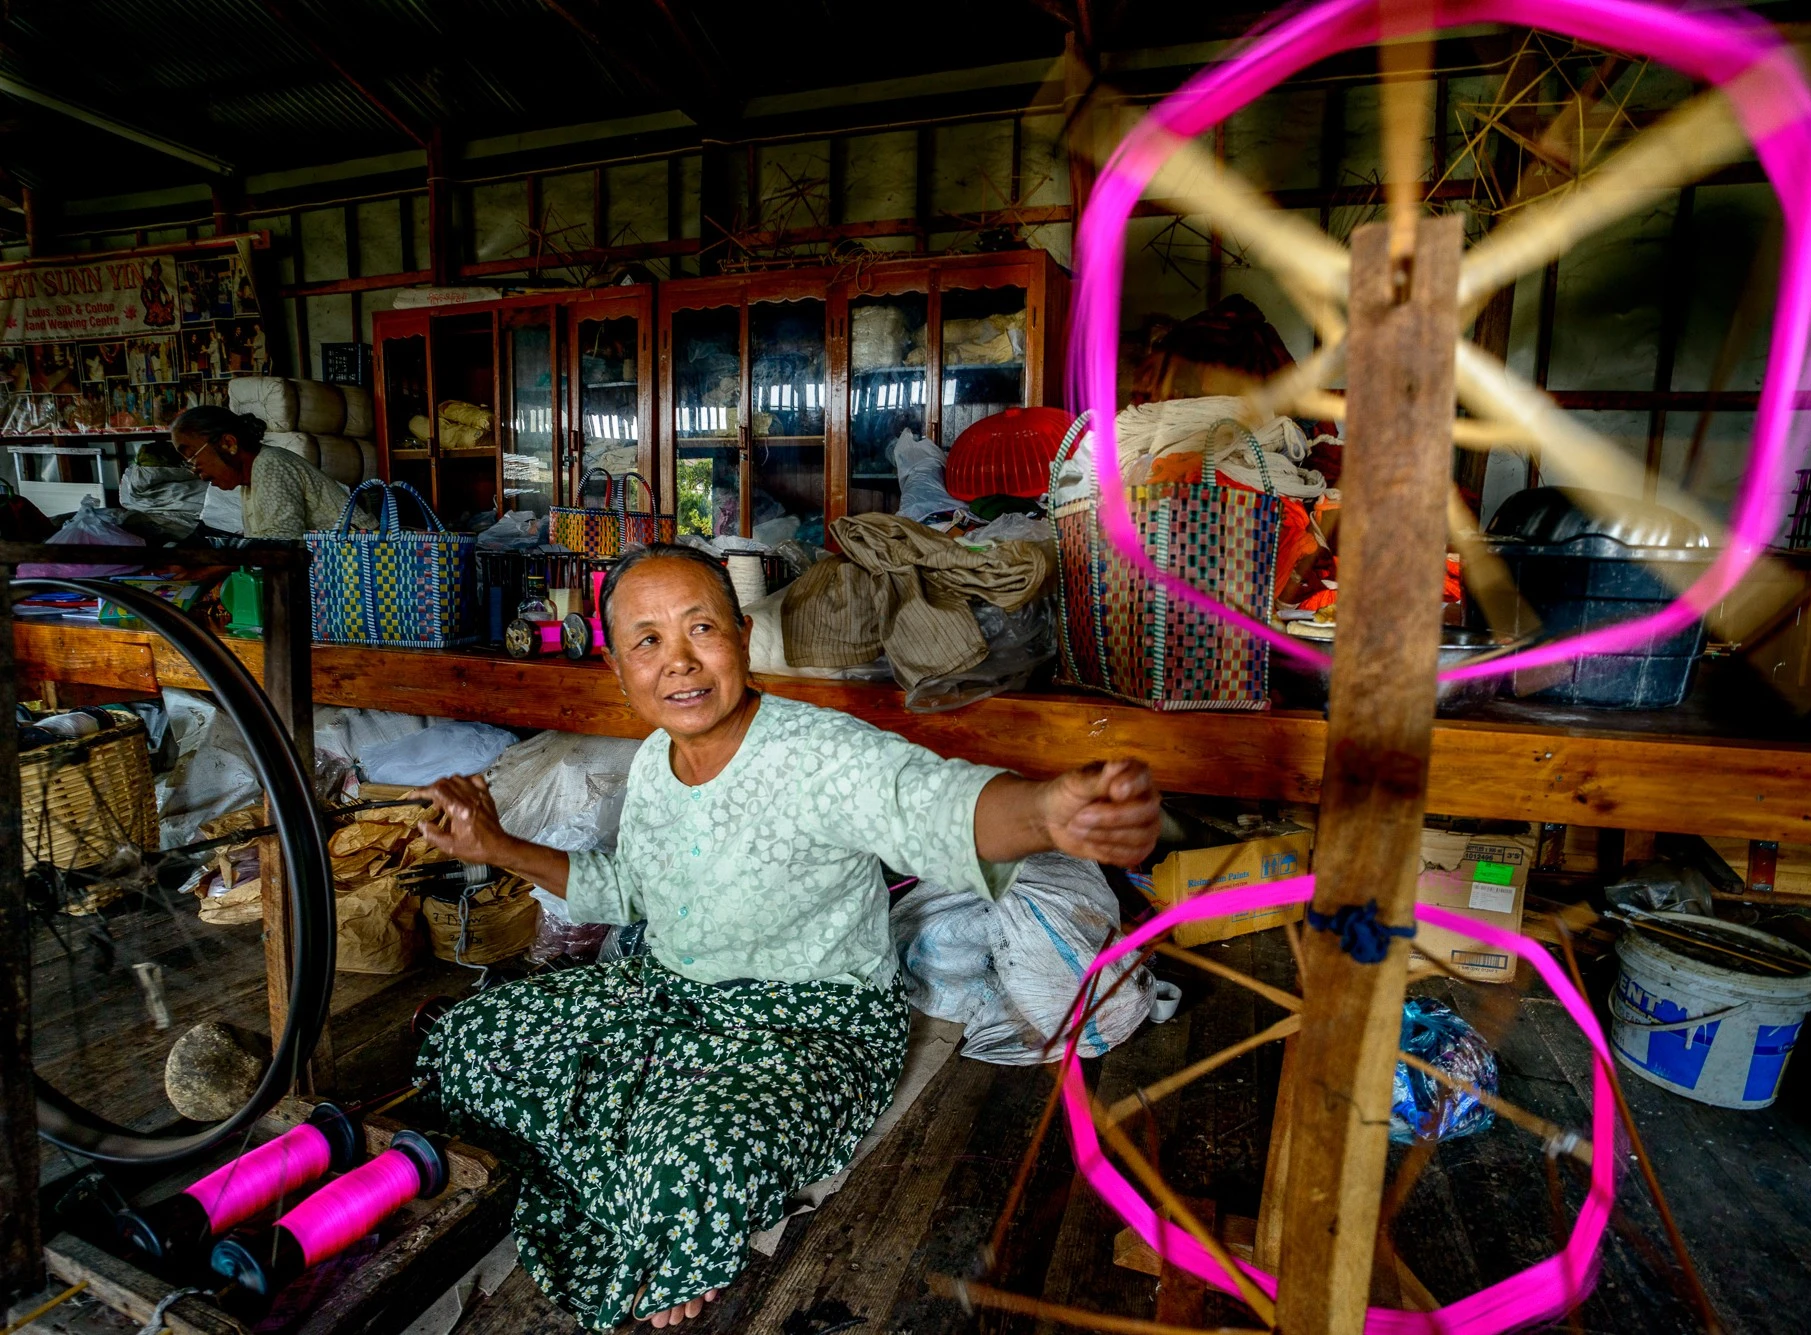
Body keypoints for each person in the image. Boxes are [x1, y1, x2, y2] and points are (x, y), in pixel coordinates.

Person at [410, 544, 1160, 1330]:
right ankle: (644, 1191)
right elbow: (629, 889)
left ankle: (660, 1198)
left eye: (702, 627)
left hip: (812, 1026)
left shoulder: (820, 752)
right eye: (648, 640)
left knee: (688, 1159)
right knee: (468, 1041)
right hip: (670, 997)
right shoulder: (657, 764)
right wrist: (497, 845)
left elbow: (932, 803)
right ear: (618, 669)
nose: (679, 660)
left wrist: (1046, 811)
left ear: (742, 636)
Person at [170, 405, 351, 540]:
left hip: (355, 564)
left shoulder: (271, 464)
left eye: (193, 456)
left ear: (228, 443)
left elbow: (282, 545)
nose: (194, 469)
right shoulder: (250, 479)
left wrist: (210, 570)